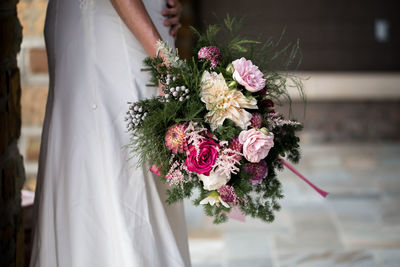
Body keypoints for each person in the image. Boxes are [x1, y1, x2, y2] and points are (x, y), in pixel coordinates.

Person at [29, 0, 192, 266]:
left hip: (145, 20)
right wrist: (164, 61)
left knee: (148, 170)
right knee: (119, 169)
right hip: (105, 25)